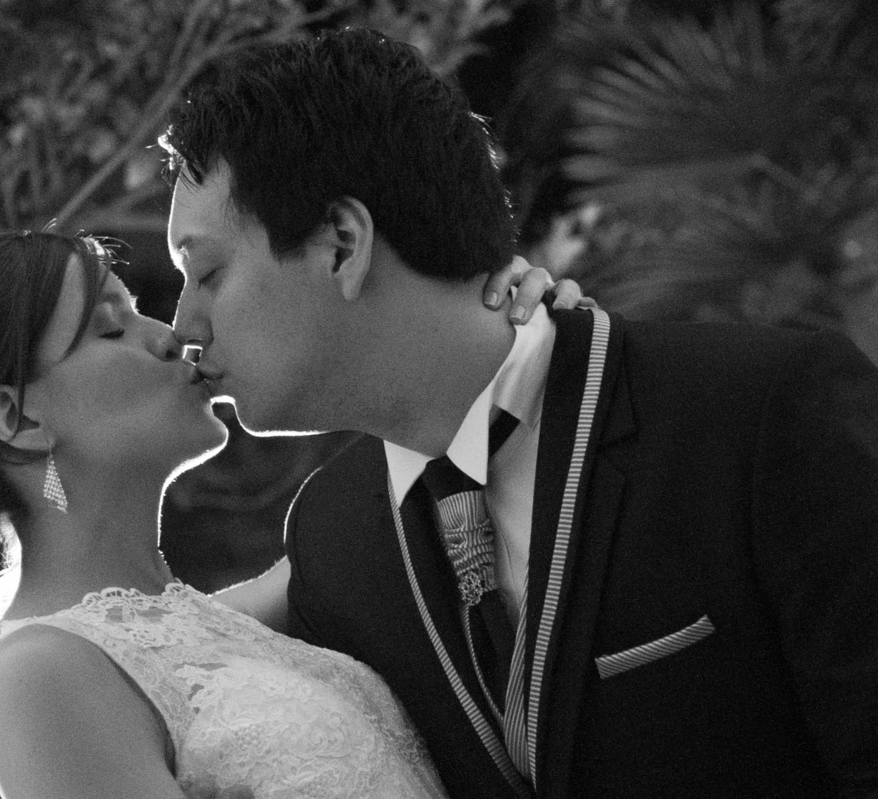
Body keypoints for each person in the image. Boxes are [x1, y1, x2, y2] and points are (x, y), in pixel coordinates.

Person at [161, 27, 878, 799]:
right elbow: (129, 653)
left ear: (342, 243)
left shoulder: (760, 412)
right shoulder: (333, 536)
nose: (182, 327)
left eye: (207, 272)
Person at [0, 230, 574, 798]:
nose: (170, 336)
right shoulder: (37, 675)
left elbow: (416, 503)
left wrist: (516, 346)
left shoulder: (226, 621)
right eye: (110, 328)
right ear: (19, 418)